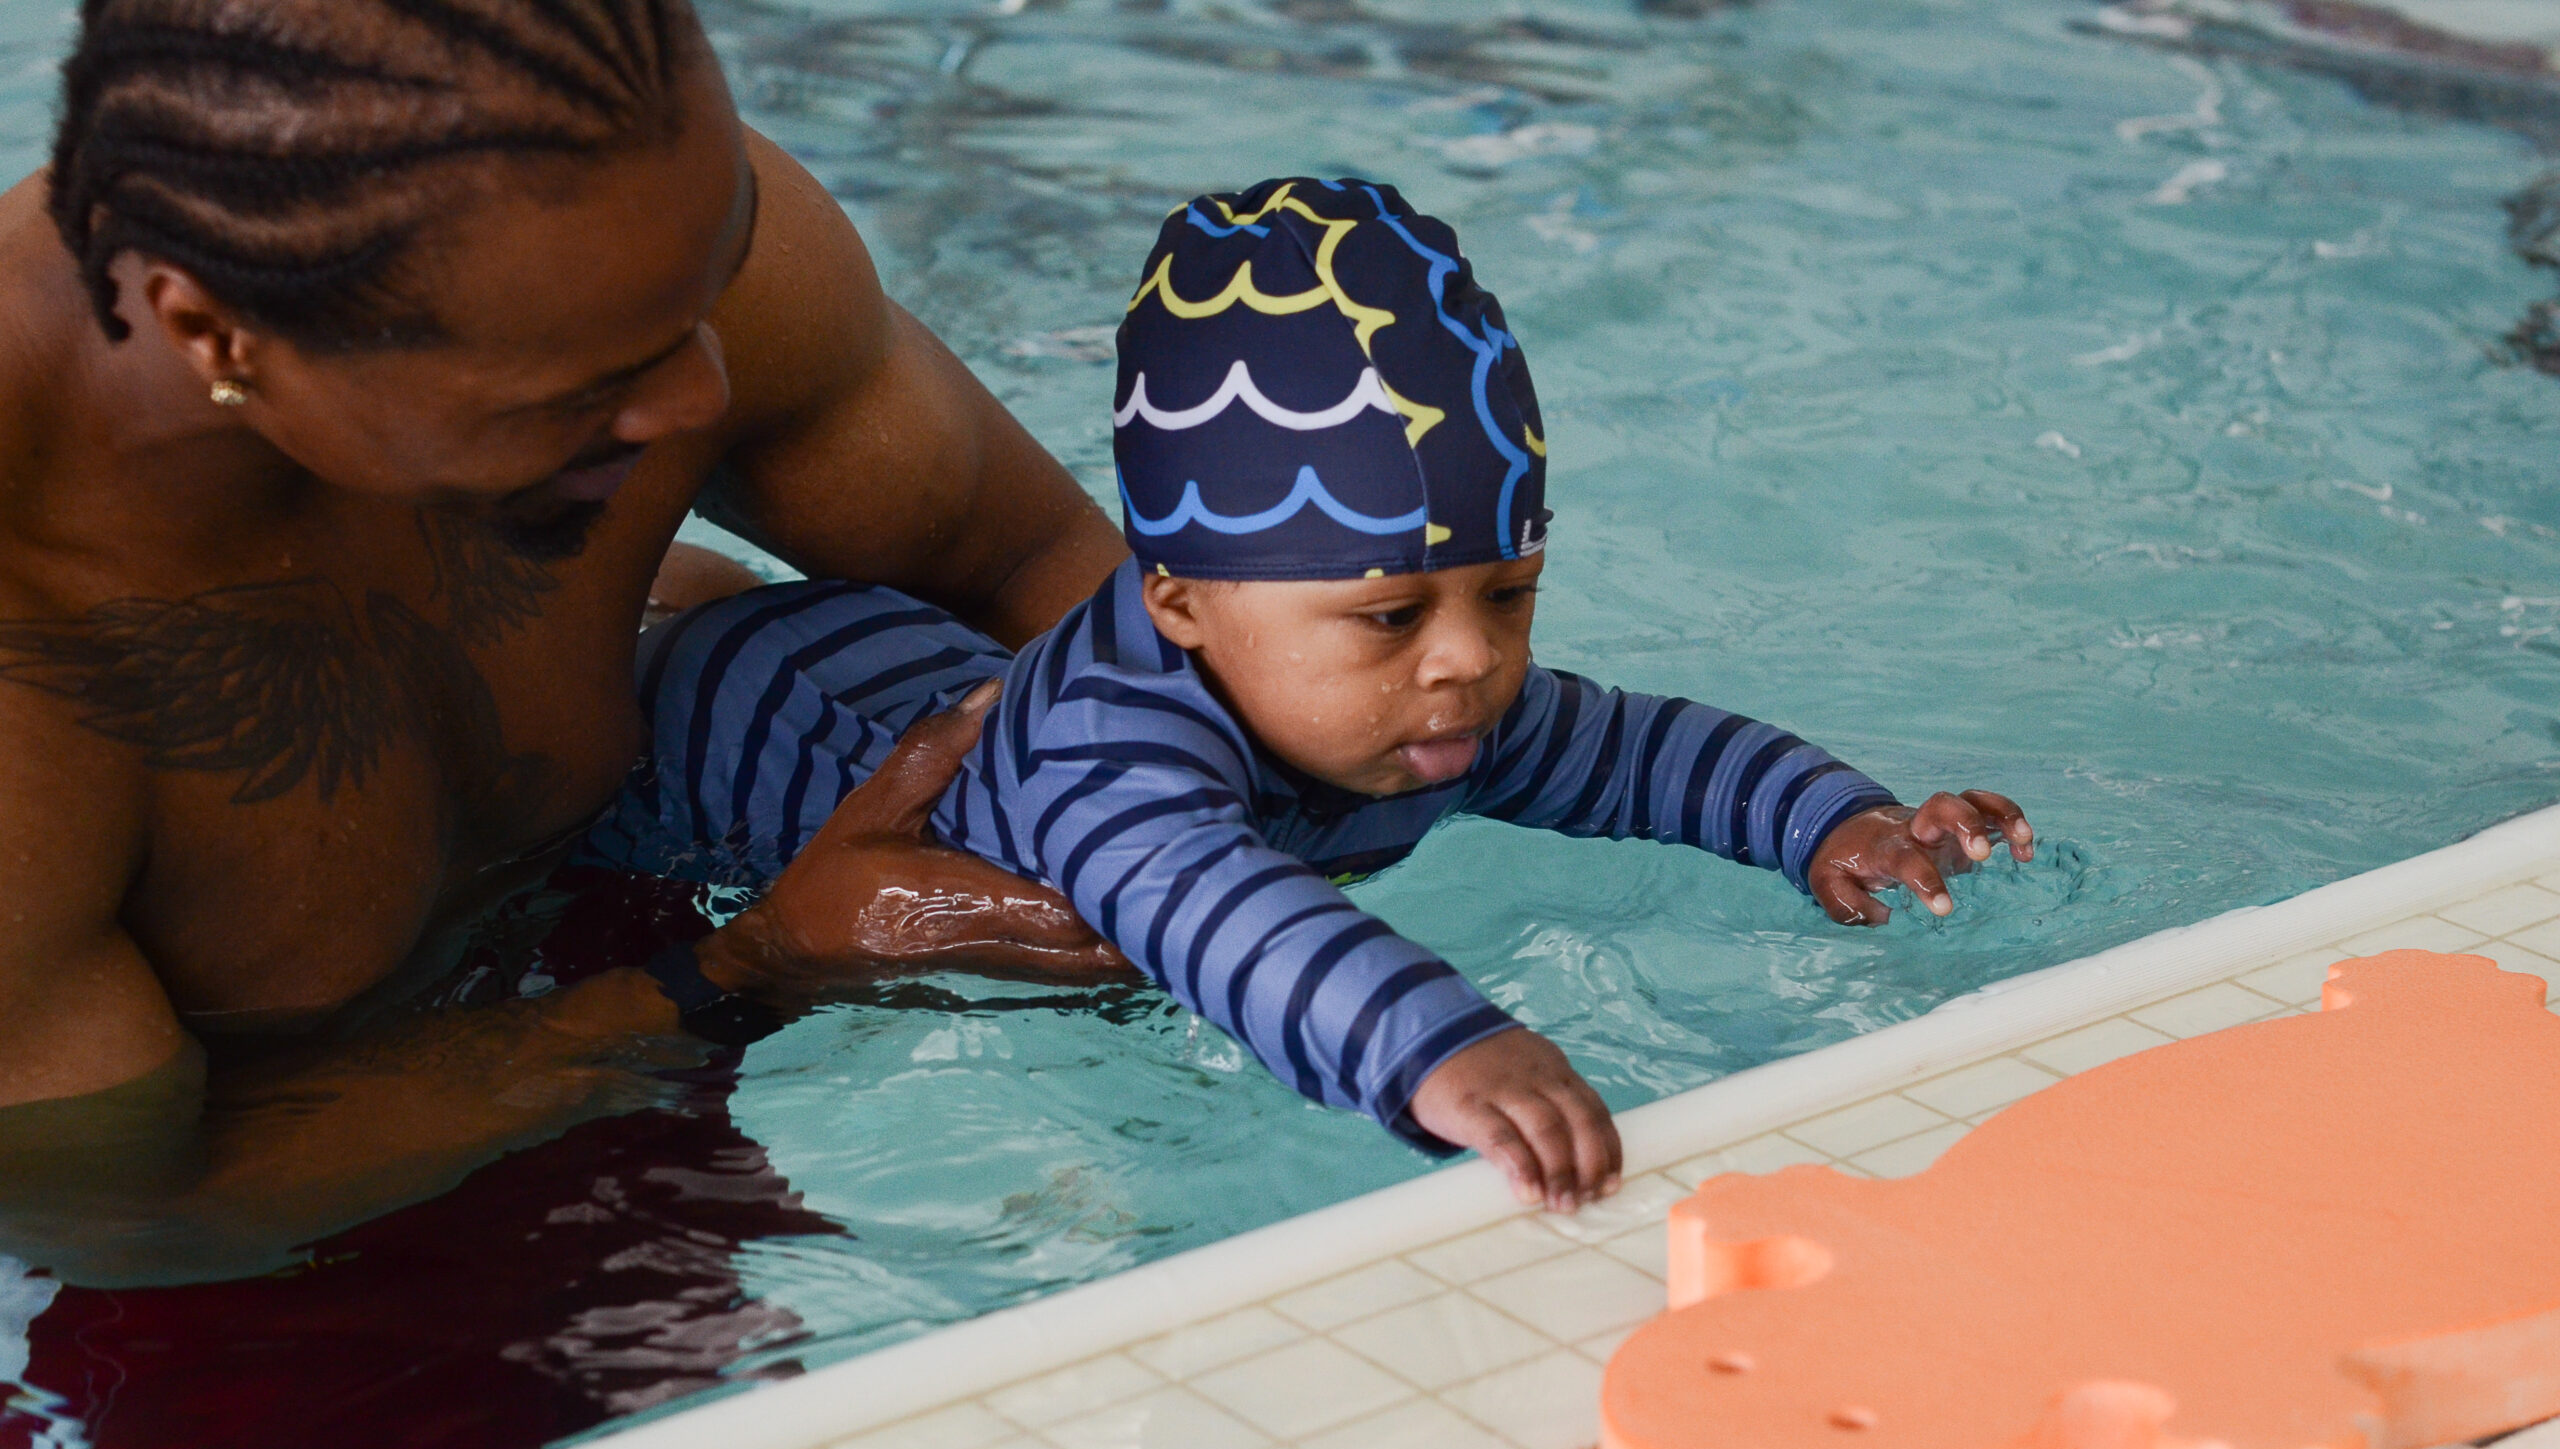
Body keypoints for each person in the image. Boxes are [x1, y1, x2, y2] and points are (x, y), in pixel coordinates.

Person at [604, 179, 2038, 1213]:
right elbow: (1216, 911)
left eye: (1510, 593)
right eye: (1391, 614)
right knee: (649, 668)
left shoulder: (1407, 694)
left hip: (906, 663)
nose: (1466, 658)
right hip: (714, 741)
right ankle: (681, 596)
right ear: (1178, 604)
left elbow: (1644, 752)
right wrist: (1441, 1043)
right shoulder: (1115, 768)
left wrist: (1835, 824)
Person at [0, 0, 1135, 1287]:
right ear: (218, 339)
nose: (705, 393)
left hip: (633, 955)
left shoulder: (625, 224)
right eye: (581, 389)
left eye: (714, 286)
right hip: (291, 1275)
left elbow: (1038, 570)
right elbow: (136, 1214)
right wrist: (750, 965)